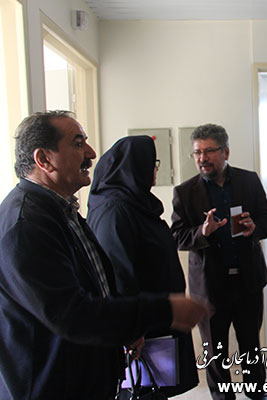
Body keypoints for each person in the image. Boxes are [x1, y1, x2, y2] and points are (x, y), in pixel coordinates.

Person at [0, 111, 205, 399]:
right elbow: (72, 314)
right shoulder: (26, 225)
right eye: (77, 143)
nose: (91, 153)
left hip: (83, 375)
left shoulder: (60, 210)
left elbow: (97, 284)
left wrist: (126, 329)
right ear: (44, 159)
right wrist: (164, 310)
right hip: (52, 386)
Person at [87, 136, 199, 397]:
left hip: (153, 320)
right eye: (152, 163)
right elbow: (117, 275)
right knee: (142, 390)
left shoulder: (134, 204)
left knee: (157, 389)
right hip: (139, 330)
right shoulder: (114, 210)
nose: (155, 169)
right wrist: (131, 330)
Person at [171, 123, 267, 400]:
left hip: (248, 279)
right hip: (209, 285)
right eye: (197, 152)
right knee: (214, 349)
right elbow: (178, 237)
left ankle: (256, 392)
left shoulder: (249, 180)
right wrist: (202, 232)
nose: (202, 158)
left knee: (250, 343)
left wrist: (256, 227)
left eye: (209, 151)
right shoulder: (185, 192)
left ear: (225, 152)